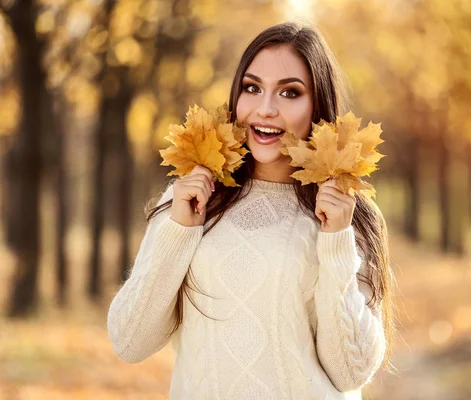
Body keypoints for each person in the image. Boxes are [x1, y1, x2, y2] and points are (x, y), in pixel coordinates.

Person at [107, 21, 395, 400]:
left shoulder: (346, 214)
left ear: (318, 105)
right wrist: (179, 231)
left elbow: (350, 372)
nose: (266, 109)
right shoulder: (190, 201)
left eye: (290, 92)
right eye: (252, 88)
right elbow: (130, 342)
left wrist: (337, 242)